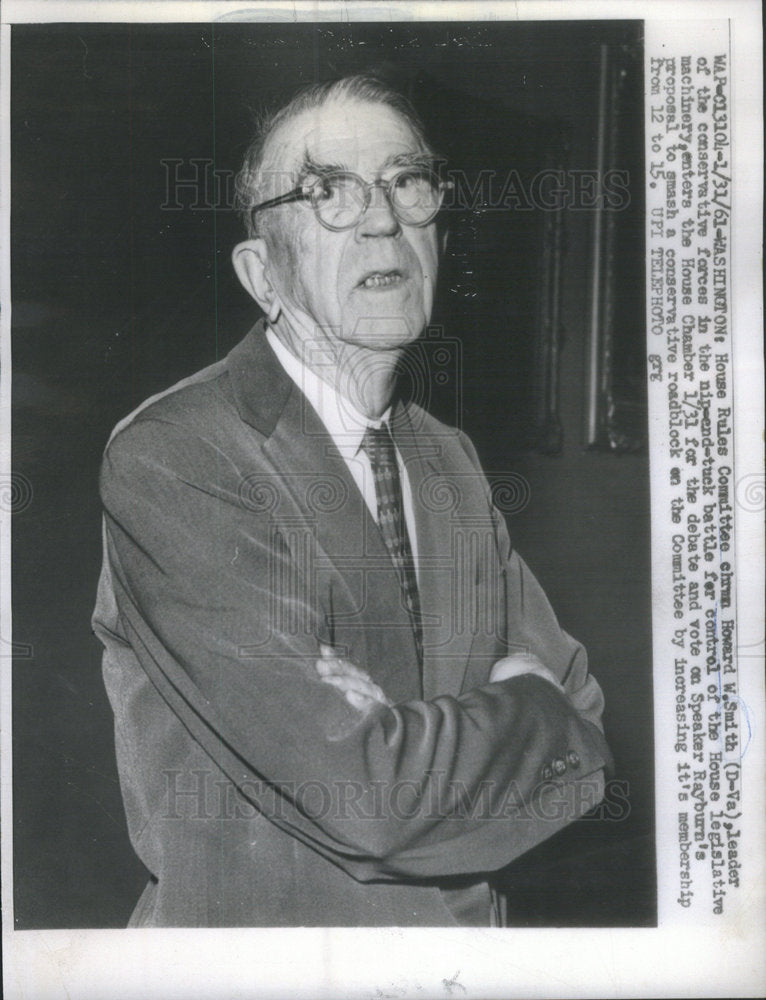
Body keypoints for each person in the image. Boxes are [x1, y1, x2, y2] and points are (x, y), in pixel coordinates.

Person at [92, 74, 611, 927]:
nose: (382, 219)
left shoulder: (449, 459)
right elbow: (373, 802)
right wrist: (525, 696)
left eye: (407, 183)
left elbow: (585, 719)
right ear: (262, 272)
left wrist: (419, 728)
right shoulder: (177, 457)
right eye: (328, 191)